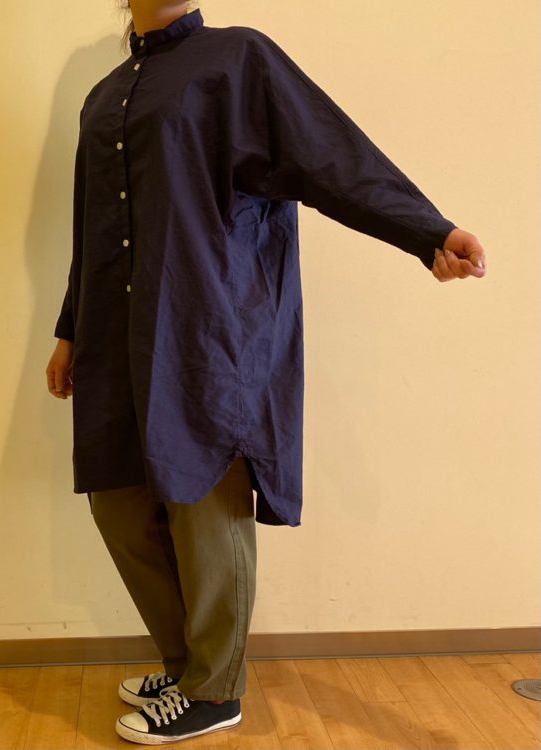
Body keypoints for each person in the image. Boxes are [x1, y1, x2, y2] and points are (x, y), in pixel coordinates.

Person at [46, 0, 487, 744]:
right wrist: (69, 330)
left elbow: (332, 155)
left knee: (203, 501)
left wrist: (427, 232)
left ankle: (215, 691)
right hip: (116, 329)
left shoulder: (237, 59)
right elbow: (92, 222)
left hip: (210, 324)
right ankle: (188, 666)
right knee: (117, 500)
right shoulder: (105, 95)